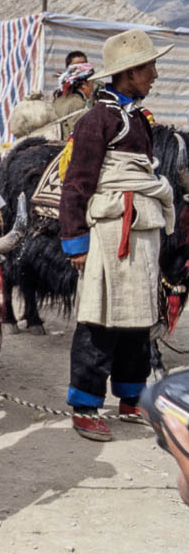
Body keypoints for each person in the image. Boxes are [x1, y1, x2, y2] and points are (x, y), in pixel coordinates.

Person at [60, 28, 174, 441]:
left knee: (137, 319)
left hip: (140, 232)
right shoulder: (98, 119)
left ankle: (130, 399)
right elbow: (77, 183)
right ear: (129, 72)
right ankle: (85, 405)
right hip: (111, 232)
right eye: (150, 68)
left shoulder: (135, 118)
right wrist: (76, 242)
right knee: (101, 319)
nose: (156, 75)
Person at [53, 62, 95, 137]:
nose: (93, 88)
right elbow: (81, 135)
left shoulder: (58, 100)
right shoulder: (77, 103)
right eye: (92, 83)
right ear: (83, 86)